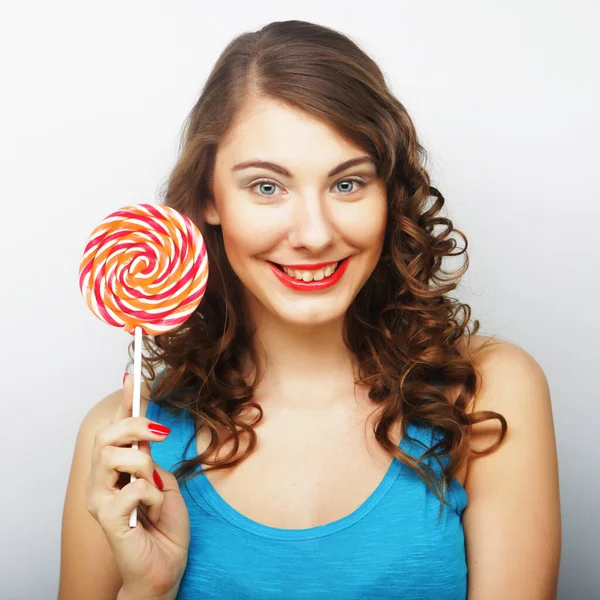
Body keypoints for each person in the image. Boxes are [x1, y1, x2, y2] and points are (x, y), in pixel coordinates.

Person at [59, 20, 561, 600]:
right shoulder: (125, 443)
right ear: (207, 199)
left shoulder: (486, 395)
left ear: (387, 192)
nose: (315, 234)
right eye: (267, 187)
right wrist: (147, 587)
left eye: (348, 184)